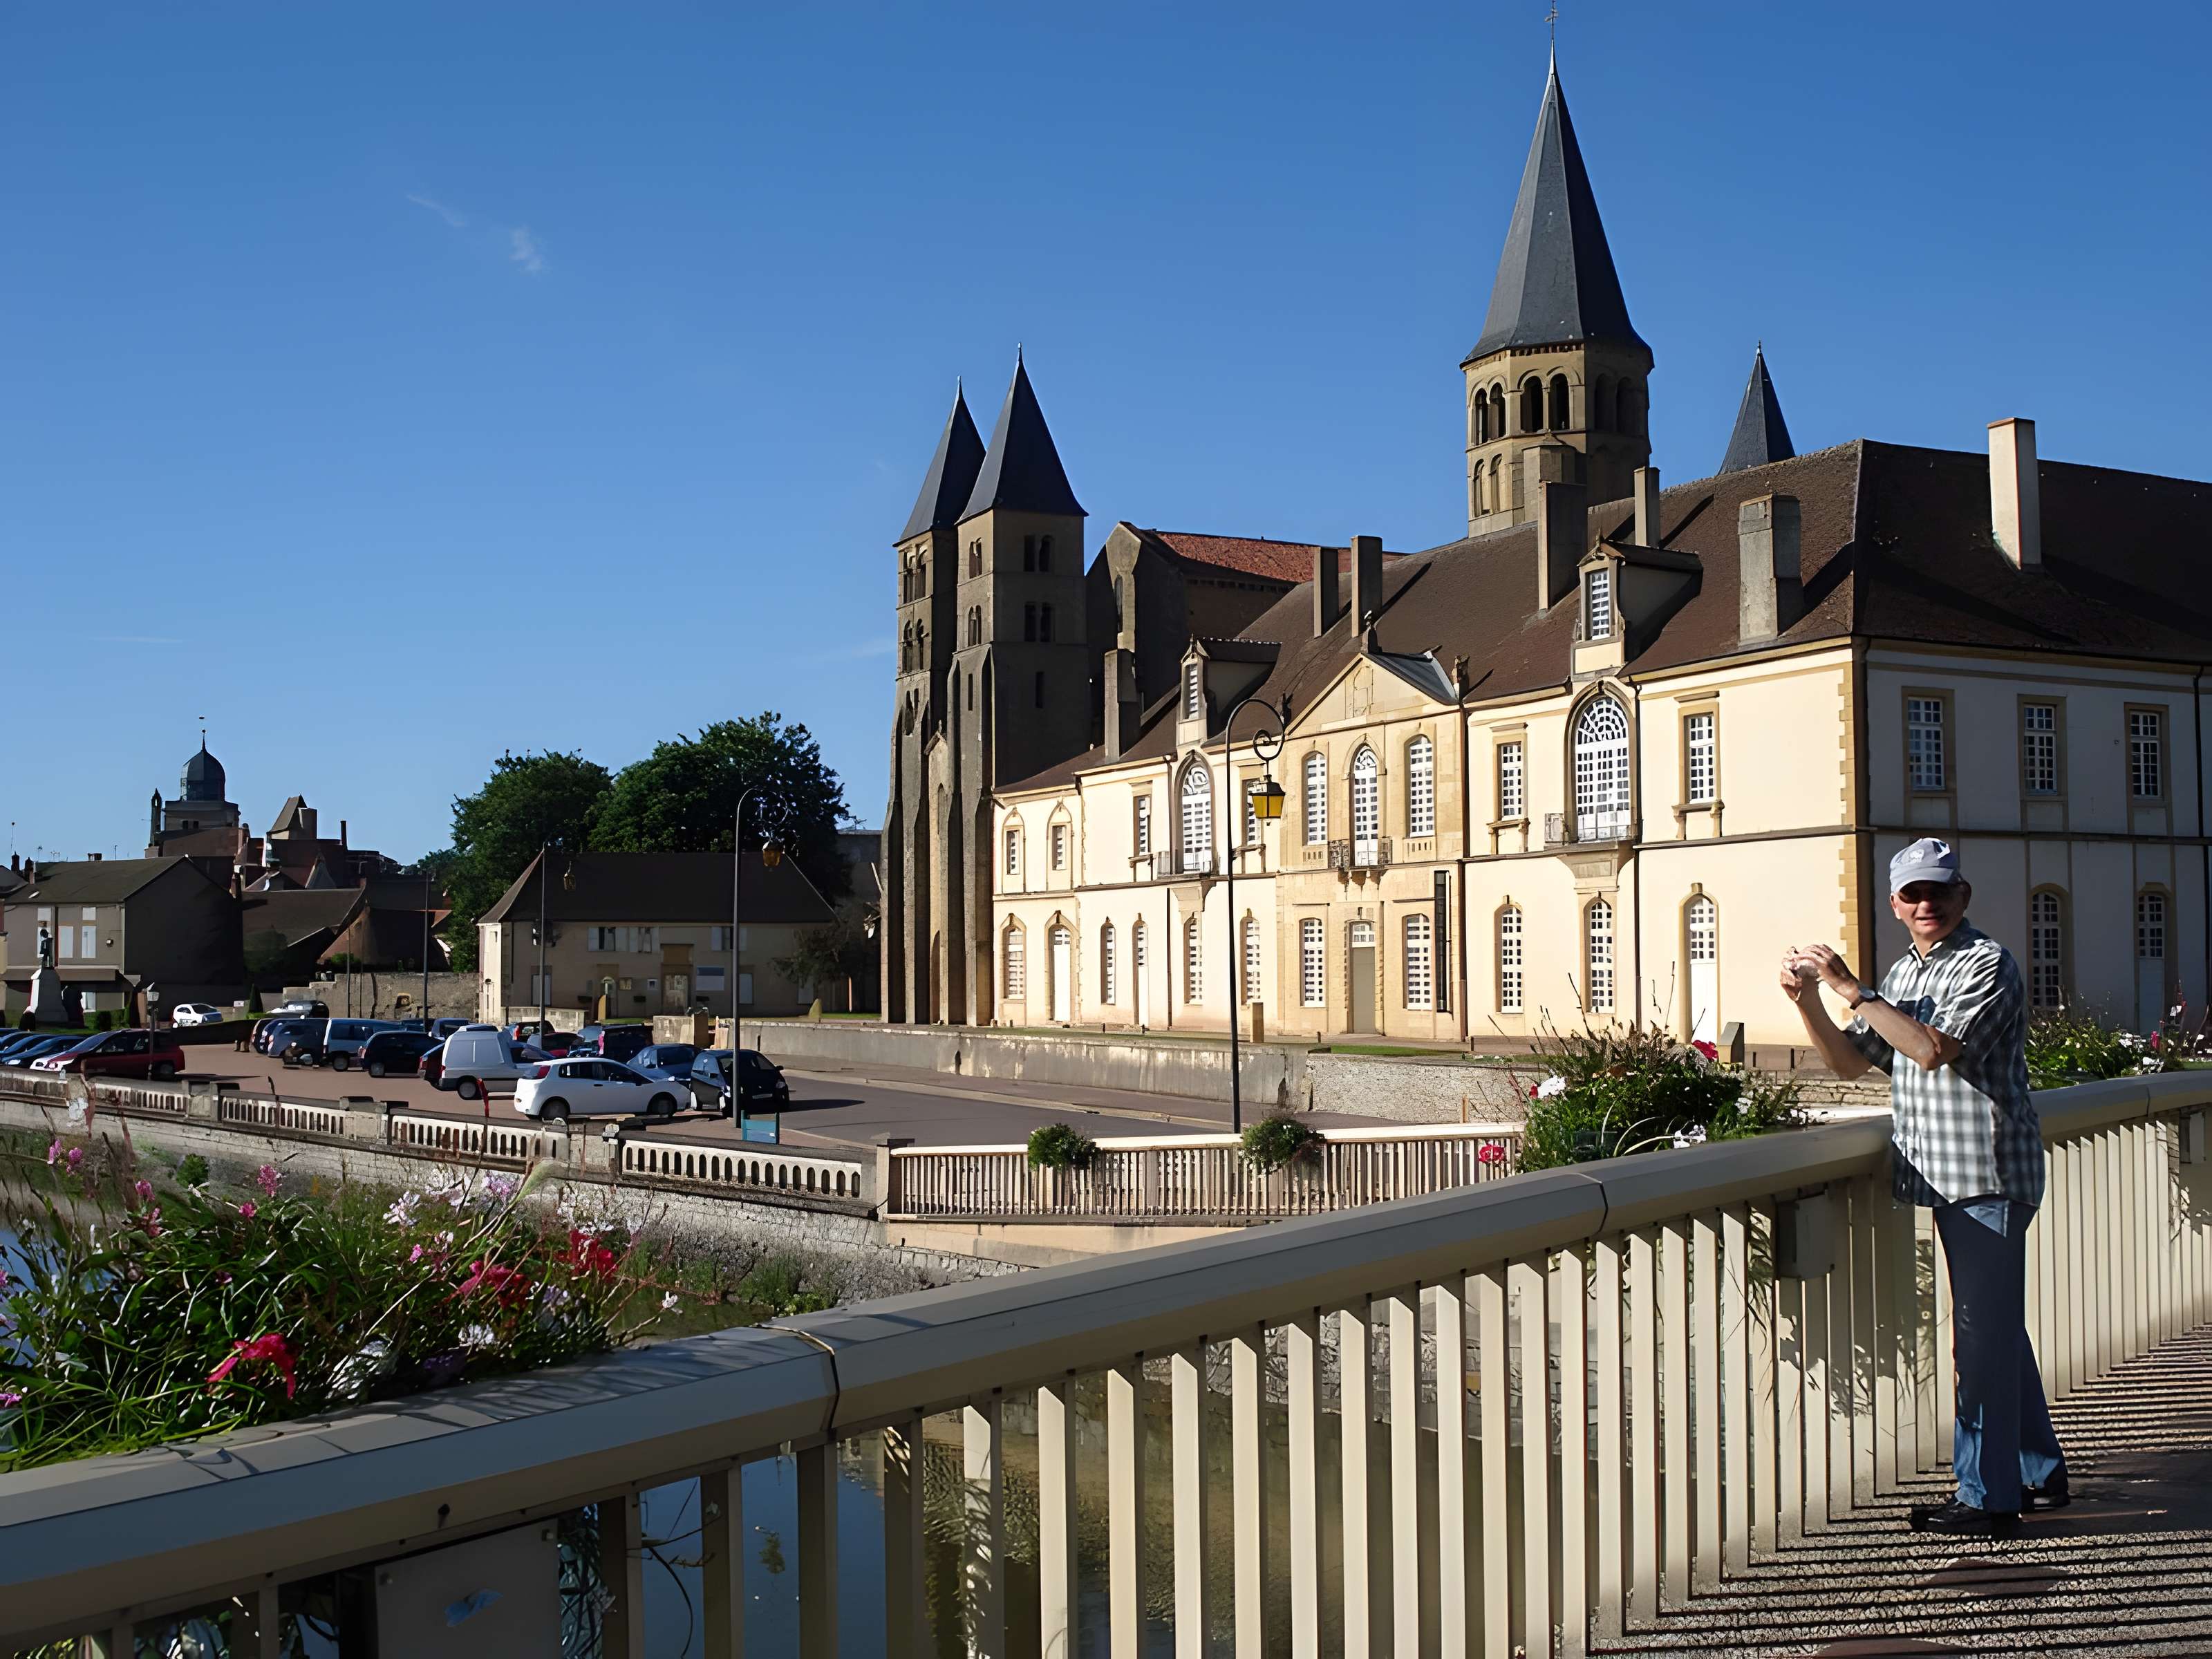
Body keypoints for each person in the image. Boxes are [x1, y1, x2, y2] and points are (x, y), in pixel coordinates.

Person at [1779, 836, 2065, 1537]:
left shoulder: (1984, 963)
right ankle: (2035, 1472)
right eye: (1912, 893)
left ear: (1960, 895)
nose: (1925, 903)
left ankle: (1987, 1498)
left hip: (1986, 1175)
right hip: (1942, 1177)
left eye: (1937, 890)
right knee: (1993, 1332)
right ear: (1894, 904)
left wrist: (1851, 987)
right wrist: (1808, 1004)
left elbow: (1930, 1050)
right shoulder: (1905, 972)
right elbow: (1849, 1063)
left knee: (1978, 1341)